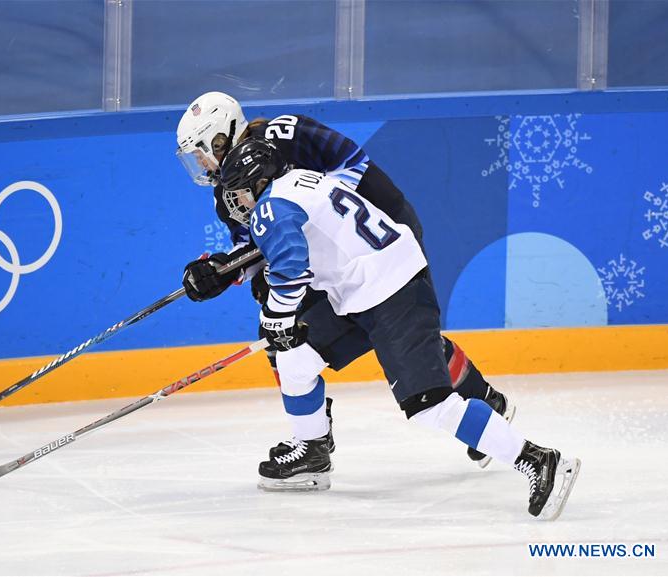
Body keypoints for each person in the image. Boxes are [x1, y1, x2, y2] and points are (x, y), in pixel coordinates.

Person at [218, 136, 581, 519]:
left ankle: (538, 460)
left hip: (392, 292)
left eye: (240, 192)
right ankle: (312, 451)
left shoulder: (271, 205)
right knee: (294, 360)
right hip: (361, 291)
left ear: (258, 181)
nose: (238, 203)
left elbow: (291, 264)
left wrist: (276, 317)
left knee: (430, 405)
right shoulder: (304, 180)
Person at [176, 91, 512, 468]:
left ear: (222, 136)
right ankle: (313, 440)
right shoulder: (226, 194)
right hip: (329, 258)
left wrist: (298, 211)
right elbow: (257, 245)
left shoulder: (287, 132)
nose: (200, 163)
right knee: (284, 334)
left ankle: (482, 401)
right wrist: (223, 269)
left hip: (382, 234)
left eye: (201, 150)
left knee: (403, 335)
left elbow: (352, 167)